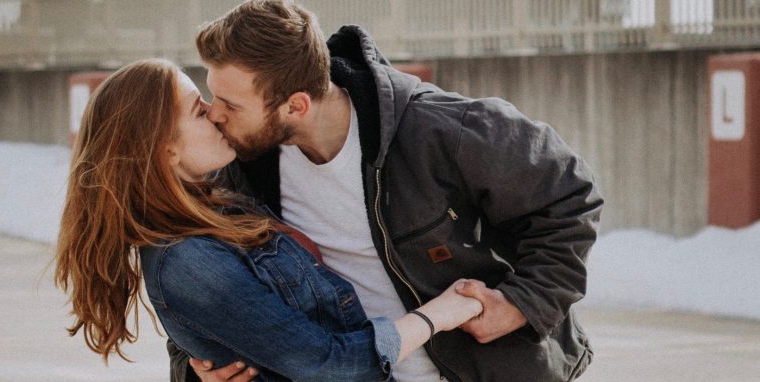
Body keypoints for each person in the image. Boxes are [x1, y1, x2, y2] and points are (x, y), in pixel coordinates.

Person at [176, 1, 604, 381]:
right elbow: (197, 287)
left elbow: (570, 198)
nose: (214, 115)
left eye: (230, 104)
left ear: (297, 106)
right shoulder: (243, 168)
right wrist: (203, 370)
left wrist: (524, 303)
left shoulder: (440, 130)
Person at [54, 58, 486, 382]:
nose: (216, 112)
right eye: (198, 111)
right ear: (165, 151)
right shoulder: (184, 260)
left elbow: (237, 328)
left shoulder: (220, 203)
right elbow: (328, 364)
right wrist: (441, 314)